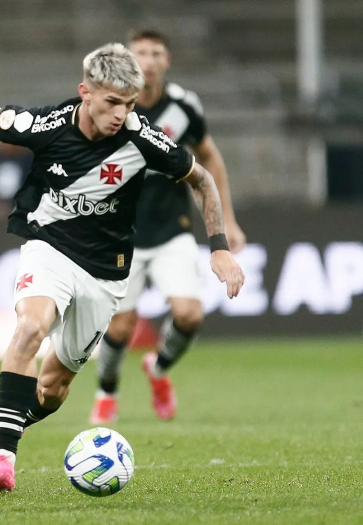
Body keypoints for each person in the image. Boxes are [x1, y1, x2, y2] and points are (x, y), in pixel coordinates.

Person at [0, 43, 245, 492]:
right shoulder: (46, 125)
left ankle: (6, 431)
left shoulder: (142, 137)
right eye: (111, 103)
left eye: (129, 105)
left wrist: (219, 246)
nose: (121, 114)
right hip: (49, 248)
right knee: (30, 327)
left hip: (106, 272)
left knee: (52, 389)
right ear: (85, 92)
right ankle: (4, 461)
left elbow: (201, 178)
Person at [89, 30, 247, 425]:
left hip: (171, 228)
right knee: (121, 325)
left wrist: (227, 219)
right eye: (140, 51)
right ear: (127, 59)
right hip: (119, 232)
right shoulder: (109, 103)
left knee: (190, 314)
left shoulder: (183, 107)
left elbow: (210, 159)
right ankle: (107, 392)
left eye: (156, 52)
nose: (148, 58)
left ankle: (157, 369)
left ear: (167, 61)